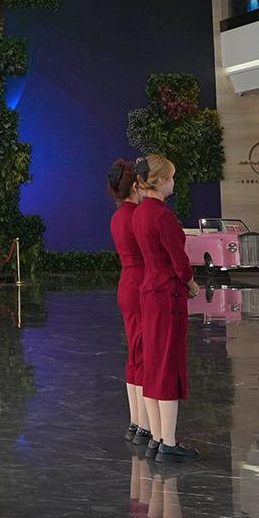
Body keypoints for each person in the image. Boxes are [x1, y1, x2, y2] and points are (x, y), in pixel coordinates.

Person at [131, 153, 199, 461]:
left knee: (154, 363)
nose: (174, 183)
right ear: (158, 181)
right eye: (171, 178)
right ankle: (168, 442)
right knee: (168, 364)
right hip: (167, 295)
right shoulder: (162, 216)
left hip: (150, 293)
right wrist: (190, 282)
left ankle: (158, 438)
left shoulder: (140, 213)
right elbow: (178, 260)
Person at [108, 159, 153, 450]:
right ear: (136, 186)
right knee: (144, 353)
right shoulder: (137, 215)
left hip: (127, 283)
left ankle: (137, 422)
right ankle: (146, 424)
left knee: (135, 353)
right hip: (141, 286)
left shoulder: (117, 216)